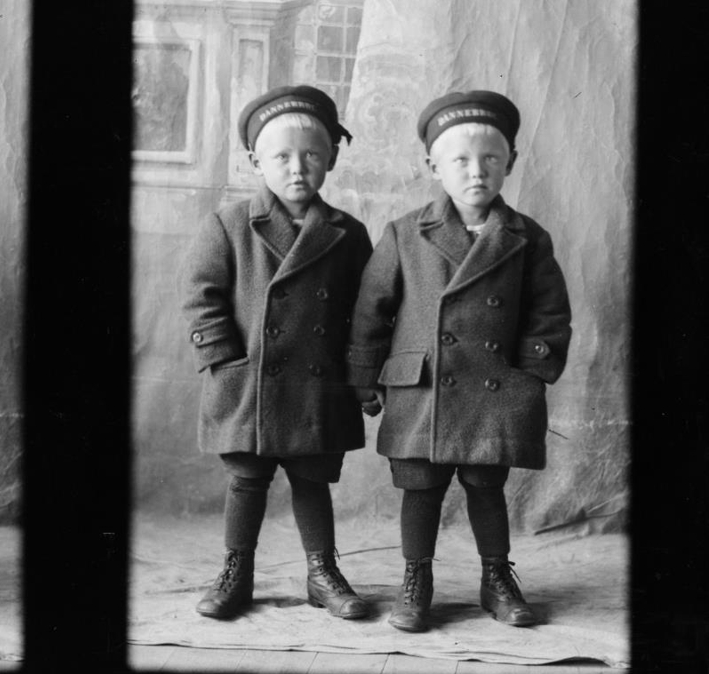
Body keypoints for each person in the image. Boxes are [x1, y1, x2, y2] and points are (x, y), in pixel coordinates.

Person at [347, 90, 572, 632]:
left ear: (510, 163)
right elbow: (371, 310)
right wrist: (364, 378)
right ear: (434, 167)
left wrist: (528, 372)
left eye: (491, 158)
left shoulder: (526, 237)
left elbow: (549, 312)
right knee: (420, 490)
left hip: (493, 389)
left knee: (486, 486)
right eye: (461, 160)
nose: (477, 171)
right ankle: (416, 580)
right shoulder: (405, 233)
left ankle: (497, 578)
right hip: (422, 390)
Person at [181, 85, 373, 620]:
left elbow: (367, 311)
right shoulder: (229, 225)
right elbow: (200, 297)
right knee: (246, 481)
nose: (297, 168)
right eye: (282, 156)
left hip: (318, 385)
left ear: (331, 159)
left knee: (312, 481)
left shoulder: (348, 234)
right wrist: (226, 361)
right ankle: (236, 572)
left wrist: (360, 375)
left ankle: (322, 573)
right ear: (255, 162)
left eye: (311, 154)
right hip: (249, 383)